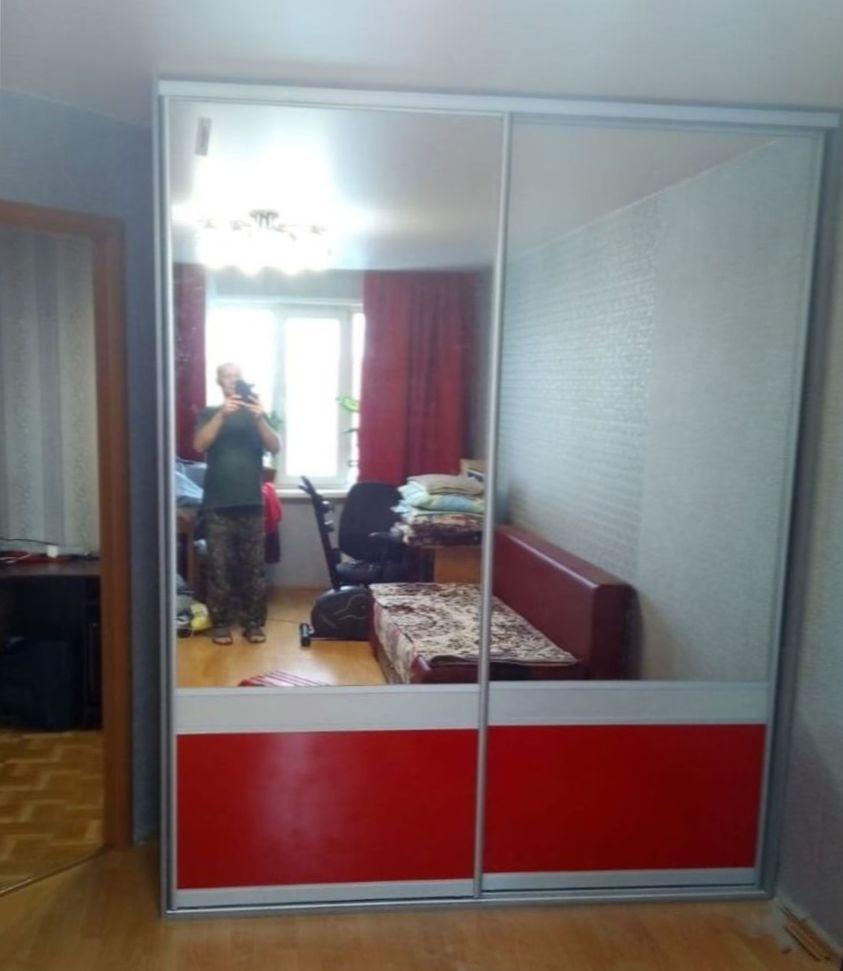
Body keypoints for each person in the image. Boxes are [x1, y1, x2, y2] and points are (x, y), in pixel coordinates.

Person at [193, 362, 280, 645]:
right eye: (227, 377)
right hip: (217, 505)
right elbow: (199, 445)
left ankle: (253, 624)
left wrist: (259, 417)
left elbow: (275, 446)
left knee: (254, 569)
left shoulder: (256, 414)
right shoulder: (209, 413)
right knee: (219, 568)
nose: (232, 381)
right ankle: (220, 625)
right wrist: (221, 414)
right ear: (219, 382)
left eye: (237, 377)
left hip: (252, 505)